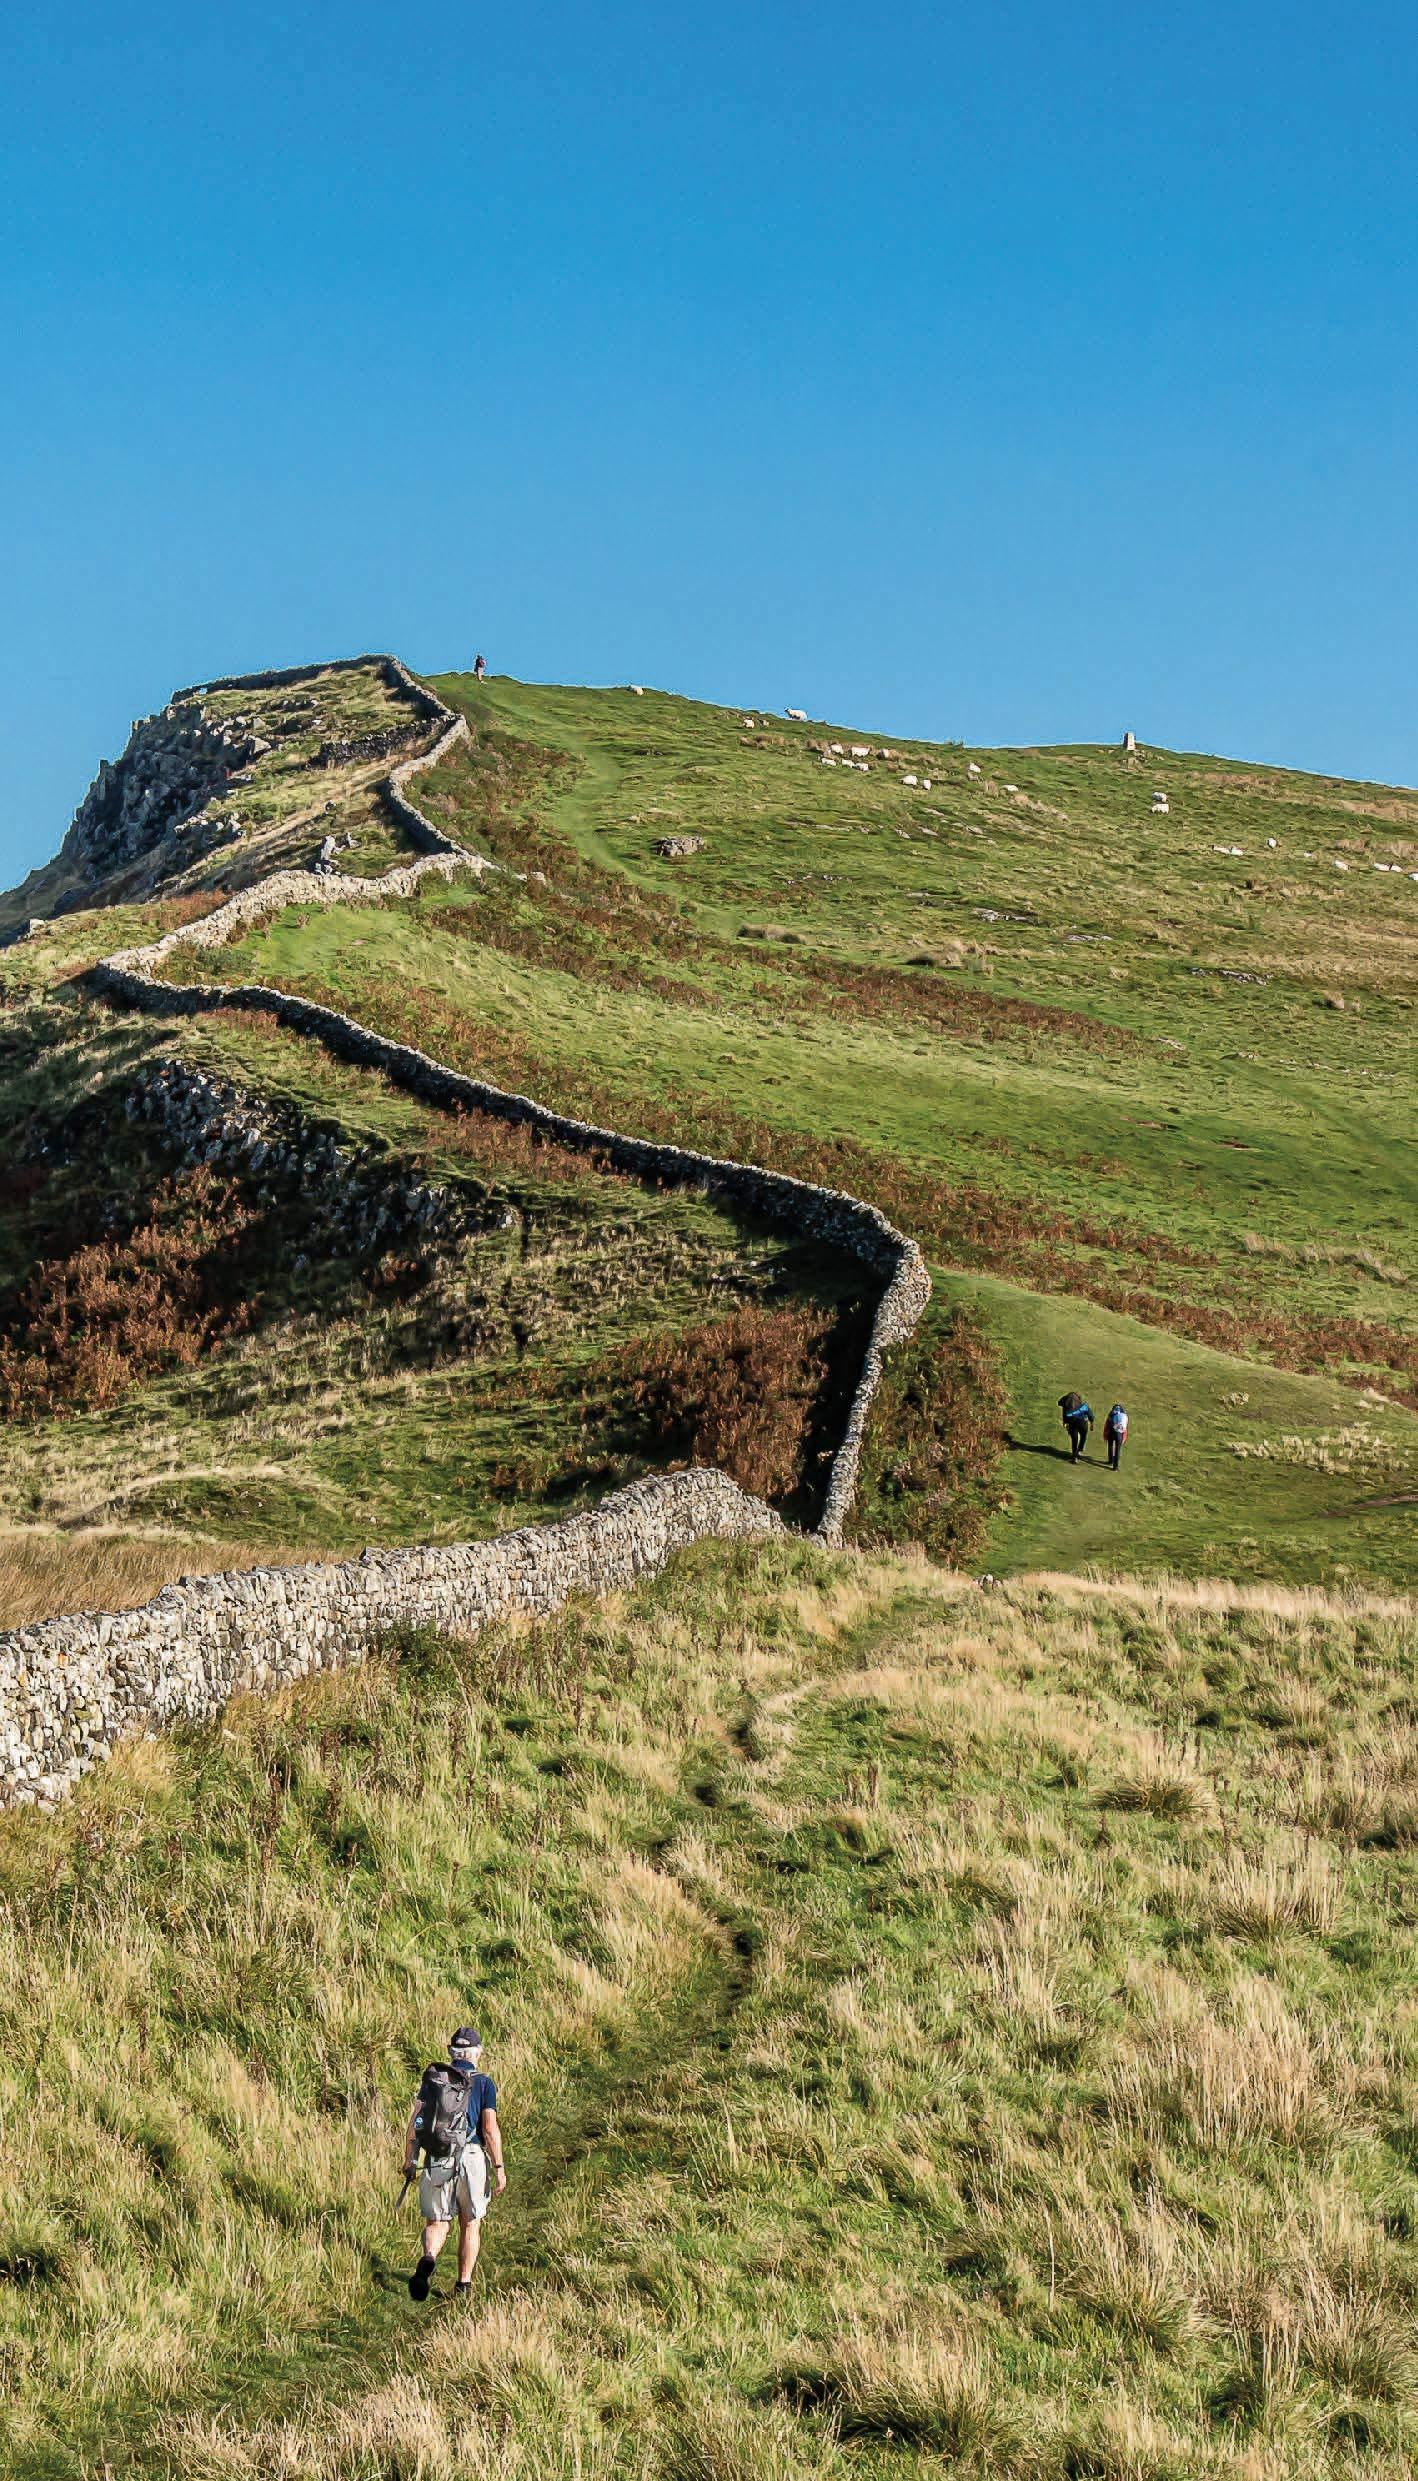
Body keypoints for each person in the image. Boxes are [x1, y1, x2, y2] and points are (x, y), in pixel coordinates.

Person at [404, 2026, 506, 2302]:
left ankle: (428, 2258)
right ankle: (463, 2285)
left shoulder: (434, 2081)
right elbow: (489, 2129)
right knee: (470, 2223)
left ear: (451, 2052)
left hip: (438, 2156)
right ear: (477, 2053)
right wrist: (498, 2167)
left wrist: (411, 2159)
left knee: (437, 2221)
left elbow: (416, 2124)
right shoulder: (484, 2083)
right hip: (471, 2158)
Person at [1058, 1391, 1093, 1462]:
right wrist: (1092, 1423)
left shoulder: (1066, 1403)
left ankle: (1075, 1456)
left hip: (1071, 1421)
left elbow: (1059, 1403)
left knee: (1074, 1439)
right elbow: (1090, 1414)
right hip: (1082, 1422)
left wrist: (1065, 1422)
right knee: (1083, 1435)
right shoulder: (1083, 1405)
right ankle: (1079, 1450)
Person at [1103, 1402, 1129, 1470]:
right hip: (1119, 1434)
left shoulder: (1111, 1414)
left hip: (1111, 1432)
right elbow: (1125, 1428)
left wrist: (1105, 1434)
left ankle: (1110, 1461)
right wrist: (1124, 1437)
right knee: (1118, 1449)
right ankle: (1115, 1467)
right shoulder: (1124, 1415)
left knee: (1110, 1446)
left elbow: (1107, 1425)